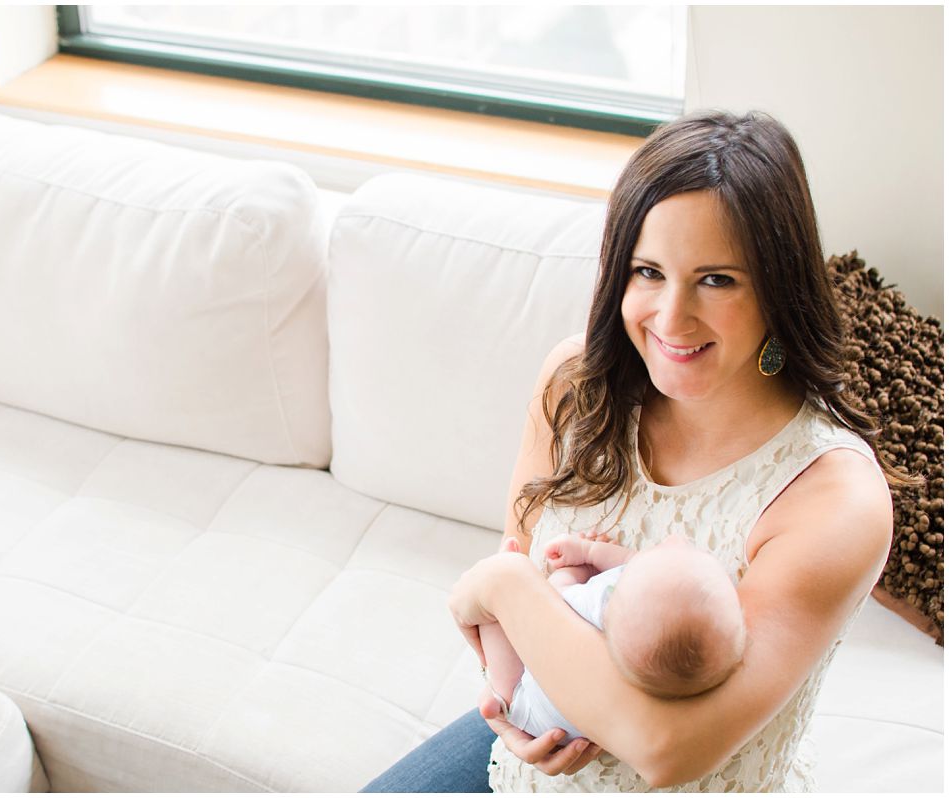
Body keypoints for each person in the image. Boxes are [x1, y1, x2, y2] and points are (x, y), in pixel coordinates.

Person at [362, 109, 908, 792]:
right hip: (533, 758)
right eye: (648, 271)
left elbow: (667, 748)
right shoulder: (576, 386)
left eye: (717, 279)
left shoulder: (833, 498)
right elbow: (518, 558)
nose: (671, 318)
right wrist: (518, 702)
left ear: (779, 286)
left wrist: (502, 587)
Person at [481, 533, 747, 743]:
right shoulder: (660, 652)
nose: (675, 543)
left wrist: (581, 564)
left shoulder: (600, 602)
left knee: (501, 631)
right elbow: (640, 566)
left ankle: (499, 578)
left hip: (531, 709)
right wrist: (596, 552)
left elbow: (550, 602)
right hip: (580, 733)